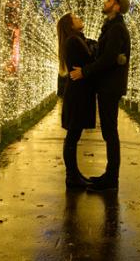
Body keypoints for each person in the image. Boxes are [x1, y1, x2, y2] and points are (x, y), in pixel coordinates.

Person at [70, 0, 131, 192]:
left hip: (110, 86)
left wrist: (85, 72)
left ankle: (111, 180)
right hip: (108, 85)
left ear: (117, 6)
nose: (105, 2)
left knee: (110, 132)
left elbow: (108, 59)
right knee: (108, 131)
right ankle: (109, 176)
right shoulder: (111, 27)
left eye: (109, 0)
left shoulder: (116, 29)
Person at [56, 12, 97, 189]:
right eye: (76, 18)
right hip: (77, 94)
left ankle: (74, 174)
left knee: (74, 135)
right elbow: (91, 59)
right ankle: (71, 177)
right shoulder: (74, 41)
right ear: (70, 25)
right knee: (73, 136)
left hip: (78, 93)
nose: (80, 18)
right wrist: (94, 48)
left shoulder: (76, 39)